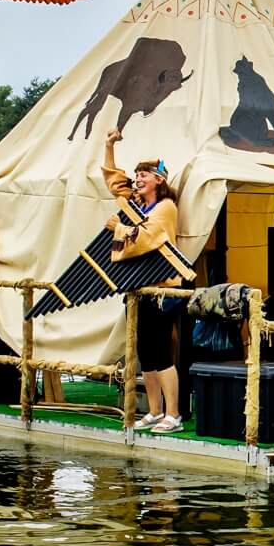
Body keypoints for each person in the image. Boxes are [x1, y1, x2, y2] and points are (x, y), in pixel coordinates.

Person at [101, 128, 186, 432]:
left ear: (159, 179)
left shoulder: (166, 207)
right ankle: (154, 410)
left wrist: (118, 229)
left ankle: (173, 414)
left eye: (144, 175)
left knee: (161, 352)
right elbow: (115, 182)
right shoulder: (138, 204)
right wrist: (109, 146)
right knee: (145, 353)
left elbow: (147, 237)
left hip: (162, 289)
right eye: (136, 174)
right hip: (139, 288)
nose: (137, 179)